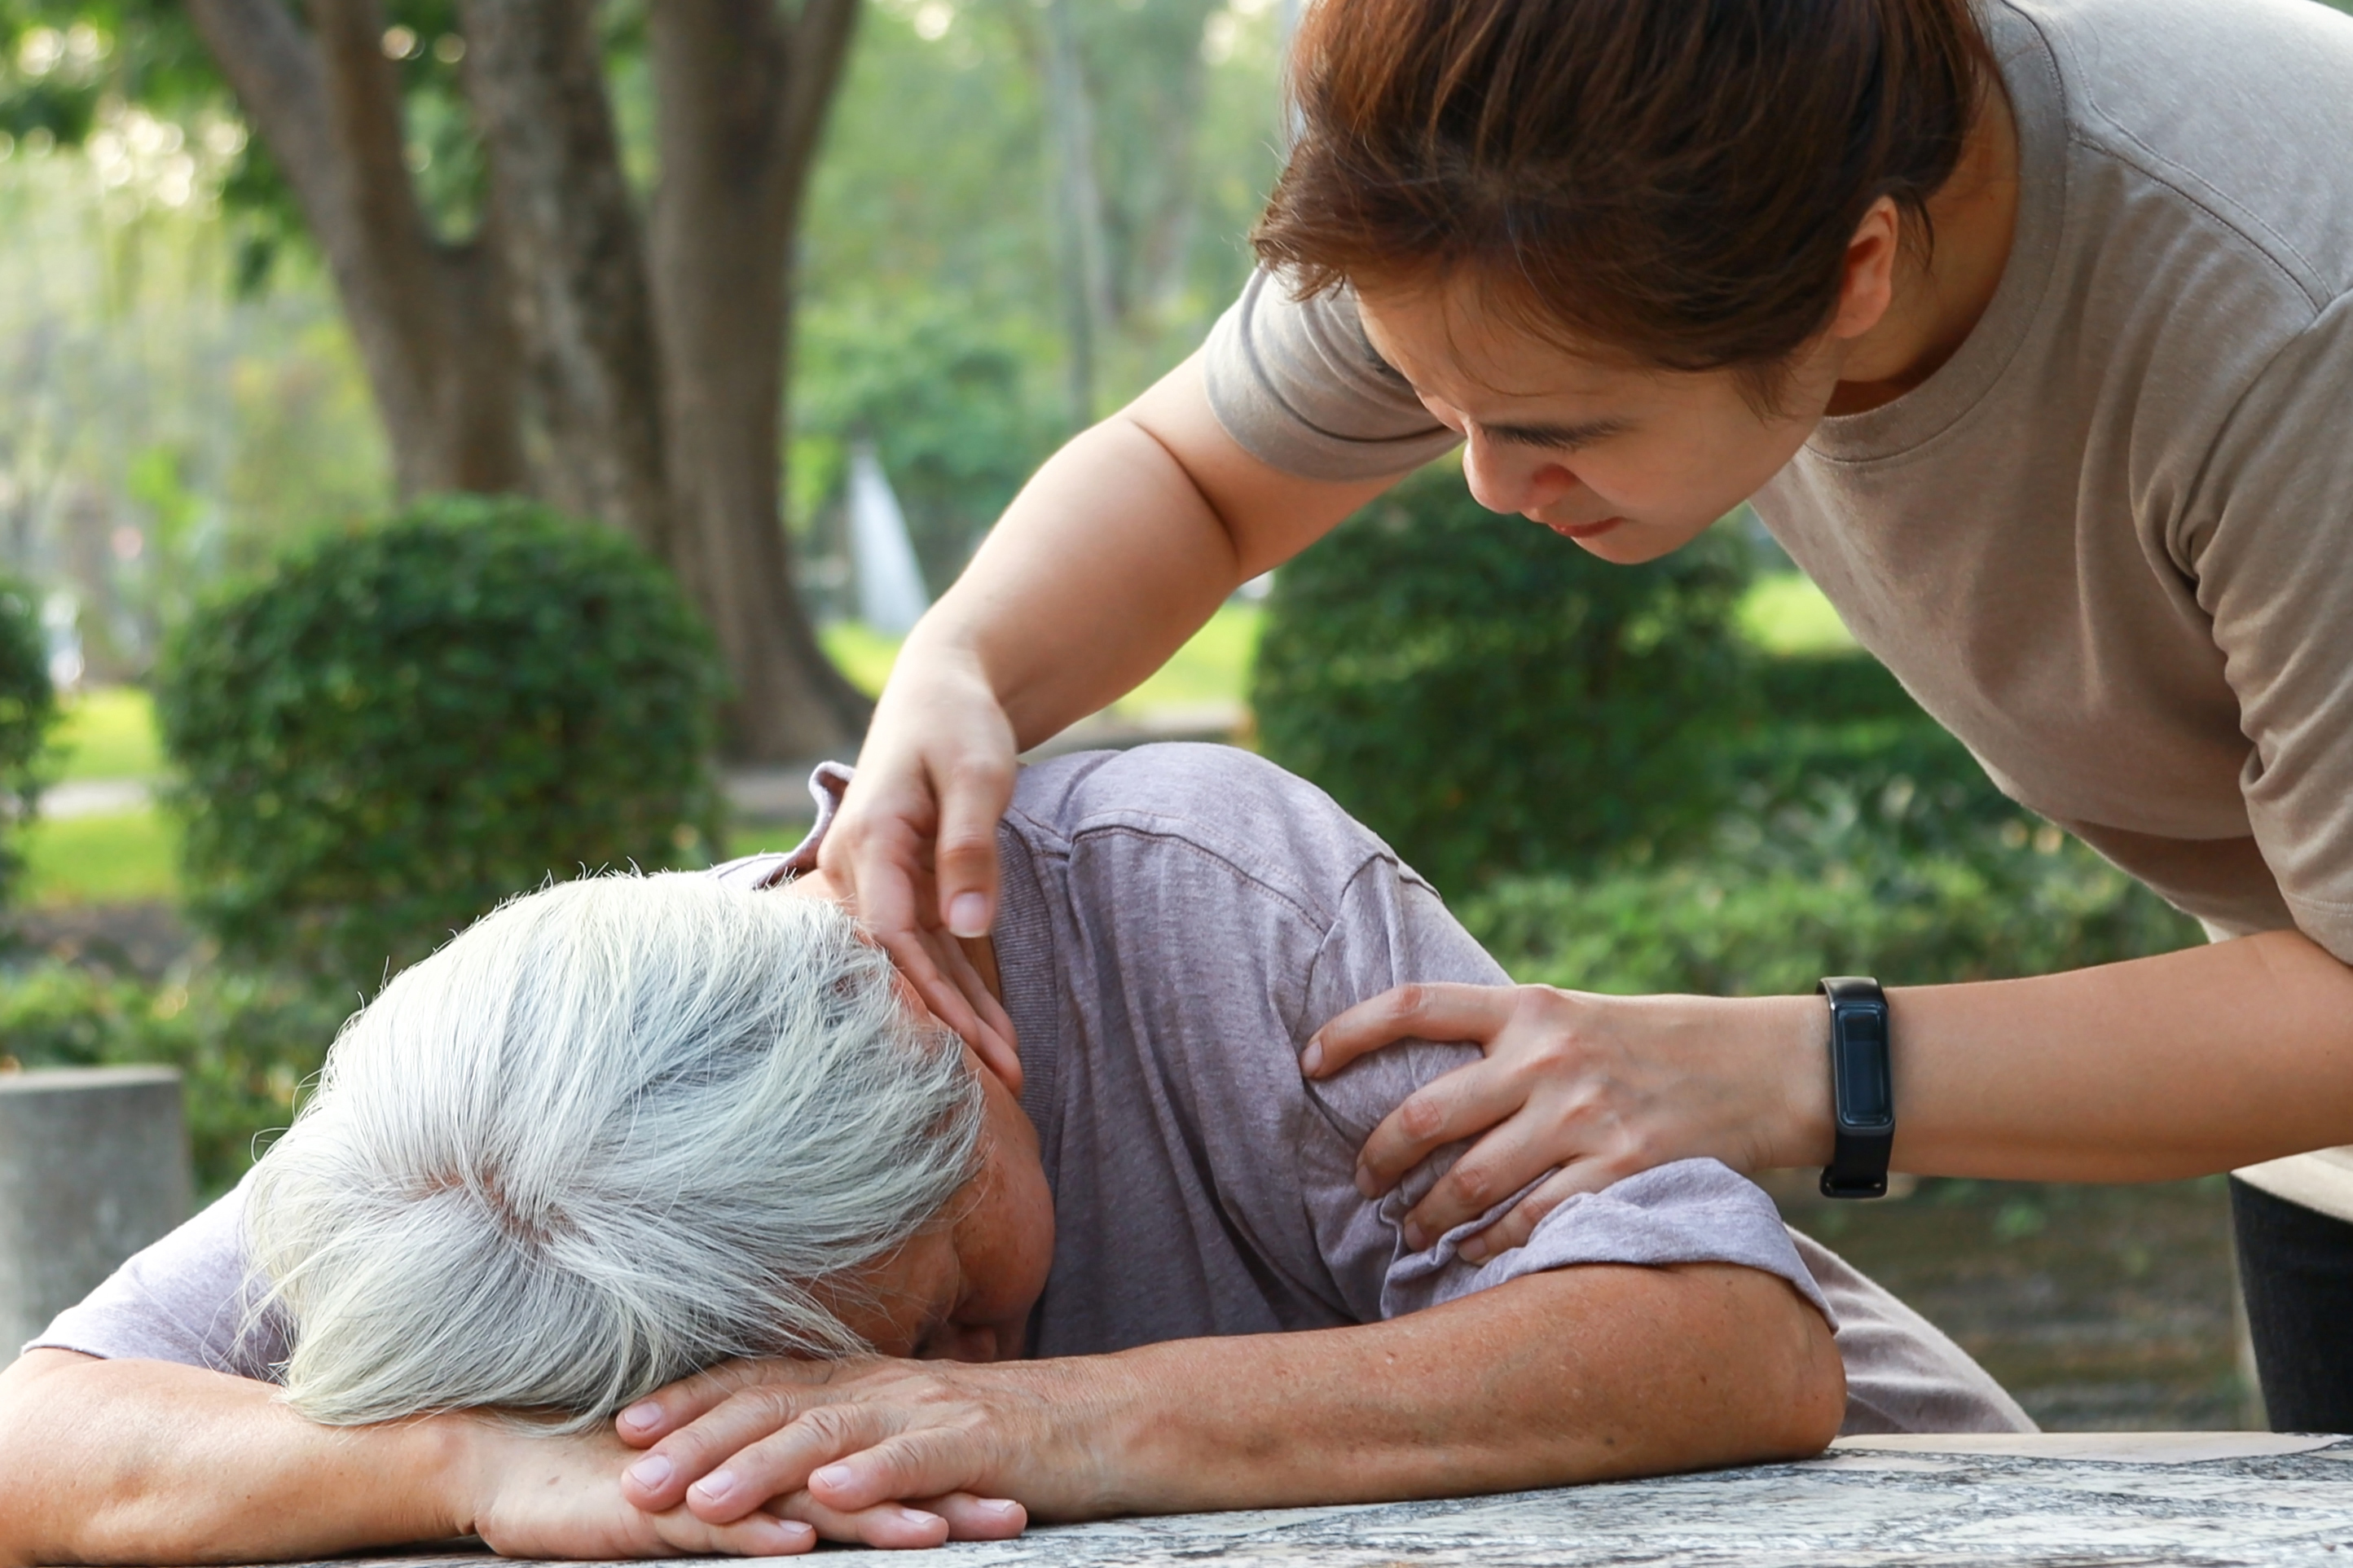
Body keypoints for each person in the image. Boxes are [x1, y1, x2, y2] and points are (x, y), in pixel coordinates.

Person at [818, 0, 2353, 1425]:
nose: (1487, 484)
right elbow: (1196, 478)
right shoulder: (1520, 212)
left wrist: (1791, 1070)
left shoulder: (2290, 316)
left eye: (1562, 430)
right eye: (1441, 408)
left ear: (1853, 272)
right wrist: (961, 670)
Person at [0, 747, 2024, 1565]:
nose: (944, 1363)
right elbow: (41, 1435)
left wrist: (1017, 1426)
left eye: (952, 1304)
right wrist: (460, 1461)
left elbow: (1727, 1348)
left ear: (940, 1038)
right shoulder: (486, 1133)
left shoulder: (1196, 894)